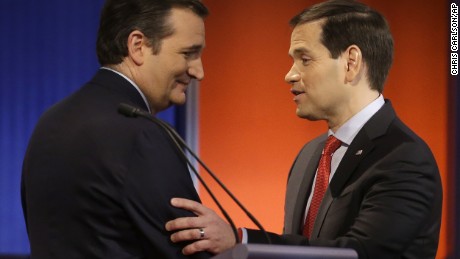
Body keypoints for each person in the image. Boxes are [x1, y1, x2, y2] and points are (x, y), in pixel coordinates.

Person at [165, 0, 443, 258]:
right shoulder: (310, 154)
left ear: (351, 63)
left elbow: (361, 253)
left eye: (305, 59)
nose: (290, 75)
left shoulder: (403, 159)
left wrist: (241, 238)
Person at [21, 0, 212, 258]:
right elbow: (191, 249)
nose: (198, 71)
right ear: (138, 46)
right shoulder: (142, 134)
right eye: (188, 53)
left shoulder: (49, 123)